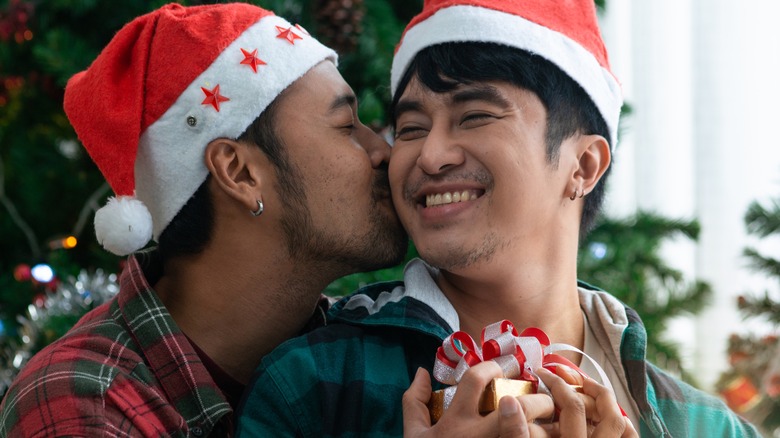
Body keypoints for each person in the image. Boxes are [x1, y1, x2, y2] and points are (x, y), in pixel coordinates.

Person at [236, 0, 760, 436]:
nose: (430, 155)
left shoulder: (705, 427)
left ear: (583, 165)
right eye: (412, 127)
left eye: (475, 116)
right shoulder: (316, 385)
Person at [0, 3, 408, 437]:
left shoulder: (367, 357)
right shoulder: (86, 405)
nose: (383, 151)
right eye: (346, 125)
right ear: (239, 172)